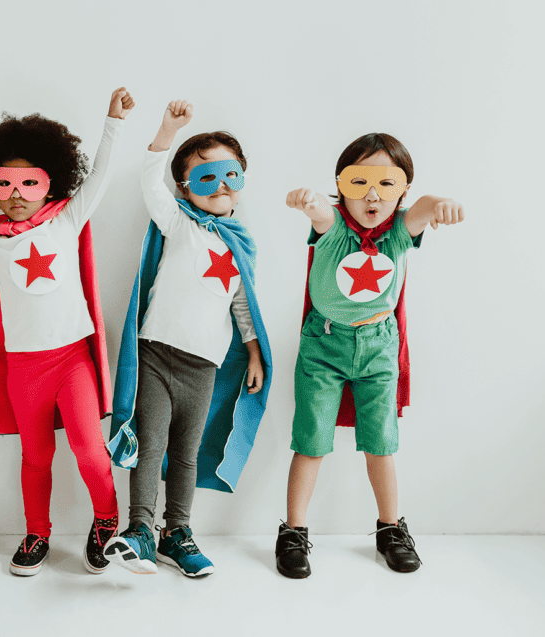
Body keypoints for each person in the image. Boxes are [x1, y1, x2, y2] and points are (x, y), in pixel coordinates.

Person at [0, 88, 135, 576]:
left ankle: (106, 521)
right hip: (24, 365)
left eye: (28, 183)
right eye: (4, 183)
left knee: (86, 447)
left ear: (49, 182)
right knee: (35, 455)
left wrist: (112, 122)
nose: (16, 195)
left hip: (71, 359)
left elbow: (99, 177)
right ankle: (37, 532)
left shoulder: (66, 220)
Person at [275, 133, 465, 578]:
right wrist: (305, 200)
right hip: (324, 345)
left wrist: (441, 202)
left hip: (379, 346)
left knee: (381, 443)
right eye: (360, 182)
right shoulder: (336, 229)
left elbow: (420, 211)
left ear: (402, 189)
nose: (373, 194)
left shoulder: (399, 234)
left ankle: (390, 529)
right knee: (311, 440)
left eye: (387, 182)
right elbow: (319, 214)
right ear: (341, 187)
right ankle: (294, 531)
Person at [104, 101, 271, 577]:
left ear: (241, 178)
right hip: (156, 354)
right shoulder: (178, 222)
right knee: (150, 443)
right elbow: (149, 183)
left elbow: (244, 304)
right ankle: (138, 529)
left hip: (203, 365)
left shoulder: (240, 243)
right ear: (185, 186)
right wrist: (165, 131)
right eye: (205, 176)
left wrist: (255, 351)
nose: (219, 185)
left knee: (187, 453)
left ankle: (176, 533)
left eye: (229, 174)